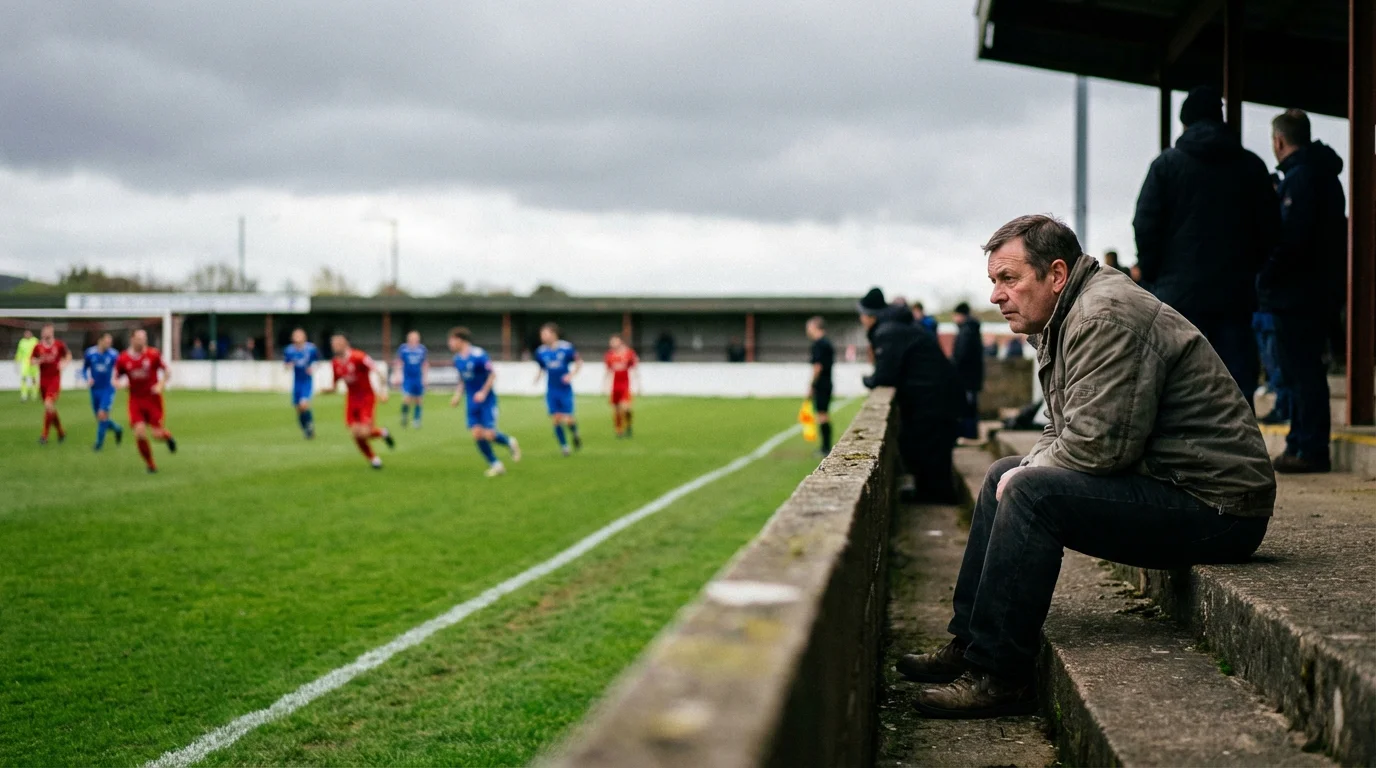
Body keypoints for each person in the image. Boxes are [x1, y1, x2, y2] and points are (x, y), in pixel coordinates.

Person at [903, 215, 1274, 719]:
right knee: (1002, 473)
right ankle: (970, 645)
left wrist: (1029, 475)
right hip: (1170, 484)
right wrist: (1026, 467)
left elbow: (1101, 447)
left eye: (1008, 279)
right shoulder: (1068, 315)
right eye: (993, 281)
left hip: (1218, 508)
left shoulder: (1104, 317)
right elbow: (1065, 428)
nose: (995, 296)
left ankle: (1000, 676)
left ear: (1056, 274)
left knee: (1031, 491)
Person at [1133, 85, 1281, 408]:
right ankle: (1239, 457)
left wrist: (1156, 274)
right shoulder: (1252, 167)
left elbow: (1145, 225)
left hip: (1179, 297)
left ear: (1185, 123)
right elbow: (1271, 231)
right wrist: (1249, 269)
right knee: (1236, 385)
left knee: (1178, 383)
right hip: (1235, 296)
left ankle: (1184, 457)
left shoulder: (1166, 166)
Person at [1260, 109, 1348, 473]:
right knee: (1305, 371)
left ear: (1279, 141)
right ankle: (1303, 442)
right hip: (1319, 290)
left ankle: (1308, 447)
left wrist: (1266, 274)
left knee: (1301, 372)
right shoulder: (1326, 177)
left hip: (1297, 294)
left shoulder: (1300, 180)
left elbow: (1291, 241)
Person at [859, 288, 963, 503]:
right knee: (929, 450)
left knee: (928, 451)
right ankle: (932, 494)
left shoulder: (887, 332)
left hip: (932, 400)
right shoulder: (898, 327)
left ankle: (936, 498)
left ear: (870, 315)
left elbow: (885, 376)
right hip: (937, 396)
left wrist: (868, 380)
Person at [448, 327, 520, 476]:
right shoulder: (457, 359)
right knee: (477, 434)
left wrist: (483, 392)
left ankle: (509, 442)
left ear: (460, 340)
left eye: (452, 340)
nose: (450, 344)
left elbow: (492, 374)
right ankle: (496, 464)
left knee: (489, 435)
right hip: (471, 400)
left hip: (486, 400)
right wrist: (457, 395)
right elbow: (462, 380)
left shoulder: (478, 355)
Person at [327, 333, 394, 469]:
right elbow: (335, 384)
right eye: (333, 345)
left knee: (364, 432)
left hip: (366, 398)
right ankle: (374, 459)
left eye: (338, 344)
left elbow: (379, 372)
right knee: (355, 433)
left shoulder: (359, 357)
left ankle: (381, 432)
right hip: (351, 400)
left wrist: (383, 392)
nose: (335, 347)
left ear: (345, 344)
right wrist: (326, 390)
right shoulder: (335, 363)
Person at [114, 329, 178, 473]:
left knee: (156, 434)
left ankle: (167, 437)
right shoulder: (123, 358)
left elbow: (167, 372)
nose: (143, 341)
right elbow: (116, 377)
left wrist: (160, 385)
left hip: (152, 399)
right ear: (132, 339)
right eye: (140, 338)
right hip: (135, 400)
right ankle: (151, 465)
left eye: (145, 338)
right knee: (140, 433)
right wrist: (118, 384)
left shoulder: (153, 354)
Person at [533, 323, 582, 456]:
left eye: (545, 334)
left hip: (565, 389)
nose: (542, 337)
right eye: (541, 334)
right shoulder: (541, 351)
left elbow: (579, 362)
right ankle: (564, 447)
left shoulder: (566, 348)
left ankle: (575, 432)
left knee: (568, 419)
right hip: (551, 389)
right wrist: (537, 377)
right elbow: (542, 367)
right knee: (555, 418)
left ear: (554, 334)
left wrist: (571, 375)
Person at [83, 332, 124, 451]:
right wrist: (87, 378)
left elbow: (120, 369)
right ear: (100, 341)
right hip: (94, 389)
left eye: (110, 342)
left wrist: (116, 380)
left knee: (102, 414)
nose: (109, 344)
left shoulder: (113, 354)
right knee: (100, 417)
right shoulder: (90, 353)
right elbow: (84, 368)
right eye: (107, 342)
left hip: (108, 389)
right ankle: (117, 429)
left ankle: (98, 444)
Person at [32, 324, 71, 445]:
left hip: (54, 380)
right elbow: (32, 360)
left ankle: (44, 436)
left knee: (49, 405)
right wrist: (39, 360)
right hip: (43, 381)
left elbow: (68, 355)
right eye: (45, 331)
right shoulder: (38, 347)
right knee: (50, 408)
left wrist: (64, 363)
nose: (46, 333)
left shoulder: (59, 345)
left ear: (52, 332)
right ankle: (61, 432)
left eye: (49, 331)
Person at [951, 302, 985, 440]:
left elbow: (961, 354)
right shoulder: (971, 328)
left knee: (967, 407)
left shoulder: (966, 330)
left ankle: (969, 434)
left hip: (966, 377)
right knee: (970, 406)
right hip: (972, 376)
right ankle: (971, 433)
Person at [282, 328, 321, 439]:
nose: (298, 338)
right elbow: (285, 364)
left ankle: (309, 426)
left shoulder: (311, 349)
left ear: (304, 337)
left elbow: (317, 362)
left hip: (307, 381)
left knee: (304, 404)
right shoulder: (289, 350)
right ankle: (306, 429)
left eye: (300, 335)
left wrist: (312, 368)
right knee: (298, 408)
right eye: (296, 335)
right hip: (297, 382)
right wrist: (289, 365)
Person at [805, 316, 835, 456]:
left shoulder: (819, 344)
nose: (807, 330)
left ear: (816, 327)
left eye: (809, 326)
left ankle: (825, 448)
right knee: (823, 414)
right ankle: (826, 447)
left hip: (822, 383)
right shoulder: (827, 343)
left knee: (822, 415)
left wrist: (812, 385)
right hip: (827, 382)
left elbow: (818, 367)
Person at [603, 333, 640, 438]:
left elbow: (635, 369)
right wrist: (604, 385)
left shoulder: (628, 353)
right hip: (614, 386)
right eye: (611, 342)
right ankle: (619, 430)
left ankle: (628, 425)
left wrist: (638, 385)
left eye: (614, 341)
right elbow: (608, 371)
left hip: (625, 385)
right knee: (616, 410)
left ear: (620, 341)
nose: (612, 343)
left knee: (626, 408)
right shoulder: (609, 355)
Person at [394, 331, 429, 429]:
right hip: (408, 378)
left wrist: (425, 378)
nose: (414, 340)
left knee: (418, 400)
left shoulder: (422, 349)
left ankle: (417, 420)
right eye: (412, 338)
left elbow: (425, 364)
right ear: (408, 339)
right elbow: (399, 362)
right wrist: (397, 375)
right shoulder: (403, 349)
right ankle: (404, 416)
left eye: (416, 338)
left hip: (418, 378)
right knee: (407, 398)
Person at [15, 329, 39, 402]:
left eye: (28, 334)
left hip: (33, 362)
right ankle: (24, 394)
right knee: (24, 378)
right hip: (25, 362)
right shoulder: (22, 342)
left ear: (31, 334)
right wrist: (17, 361)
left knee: (34, 378)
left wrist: (38, 359)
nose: (27, 335)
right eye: (26, 334)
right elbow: (19, 352)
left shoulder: (35, 341)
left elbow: (39, 350)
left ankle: (34, 394)